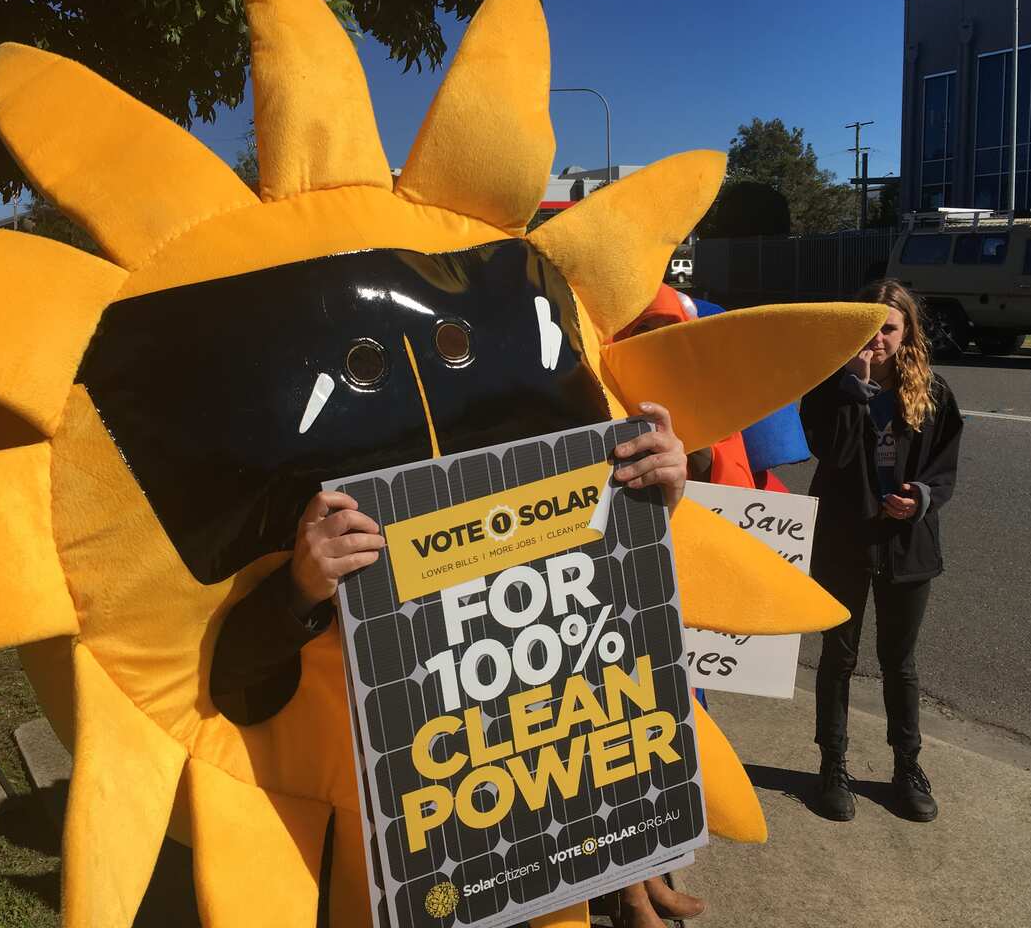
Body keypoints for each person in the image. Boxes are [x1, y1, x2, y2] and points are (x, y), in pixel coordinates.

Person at [210, 402, 706, 928]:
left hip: (539, 668)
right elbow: (232, 672)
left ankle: (633, 882)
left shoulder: (531, 397)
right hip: (403, 777)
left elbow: (601, 552)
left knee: (601, 735)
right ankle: (628, 887)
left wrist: (650, 500)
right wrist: (301, 585)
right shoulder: (310, 445)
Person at [799, 279, 963, 824]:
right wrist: (855, 386)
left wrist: (920, 498)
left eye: (889, 328)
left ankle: (906, 767)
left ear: (907, 331)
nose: (878, 339)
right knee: (839, 656)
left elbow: (944, 467)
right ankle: (833, 766)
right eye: (868, 327)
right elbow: (834, 453)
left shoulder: (932, 391)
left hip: (906, 543)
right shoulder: (828, 388)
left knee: (899, 660)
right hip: (844, 538)